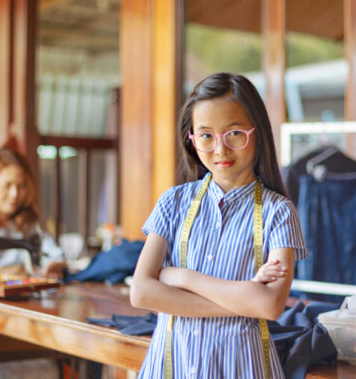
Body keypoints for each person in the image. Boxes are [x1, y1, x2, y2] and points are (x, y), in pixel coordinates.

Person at [130, 72, 308, 378]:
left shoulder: (279, 212)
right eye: (206, 135)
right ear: (191, 138)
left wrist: (179, 276)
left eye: (234, 133)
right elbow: (142, 293)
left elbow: (269, 307)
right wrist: (244, 298)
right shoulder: (172, 203)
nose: (220, 149)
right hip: (172, 368)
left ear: (257, 133)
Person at [0, 147, 66, 279]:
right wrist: (3, 272)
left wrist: (53, 265)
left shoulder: (31, 222)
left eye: (21, 186)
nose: (14, 194)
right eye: (7, 186)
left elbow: (55, 255)